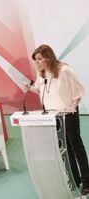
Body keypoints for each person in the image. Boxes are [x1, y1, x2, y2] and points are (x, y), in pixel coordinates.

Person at [24, 44, 89, 195]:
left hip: (68, 114)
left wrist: (73, 105)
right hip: (53, 116)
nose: (37, 63)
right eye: (35, 60)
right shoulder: (42, 73)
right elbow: (41, 90)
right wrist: (29, 87)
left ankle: (87, 180)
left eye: (39, 59)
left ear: (48, 58)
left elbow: (79, 90)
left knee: (76, 147)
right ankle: (75, 178)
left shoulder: (64, 71)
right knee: (65, 149)